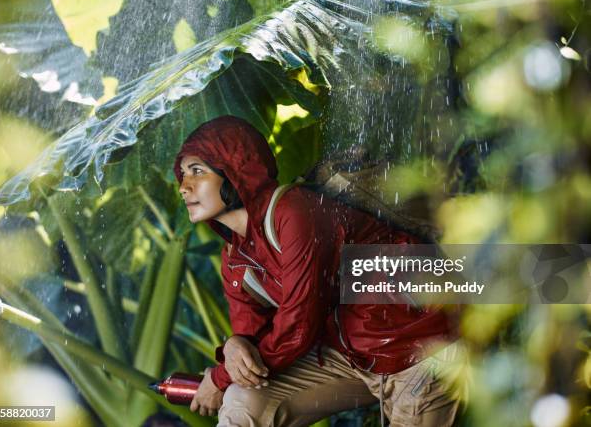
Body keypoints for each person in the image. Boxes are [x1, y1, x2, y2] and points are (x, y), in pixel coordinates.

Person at [173, 115, 466, 427]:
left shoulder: (294, 211)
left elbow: (299, 324)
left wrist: (218, 377)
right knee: (245, 400)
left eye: (197, 171)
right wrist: (233, 349)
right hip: (351, 357)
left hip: (416, 351)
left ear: (233, 170)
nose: (184, 186)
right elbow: (251, 341)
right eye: (182, 175)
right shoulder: (235, 256)